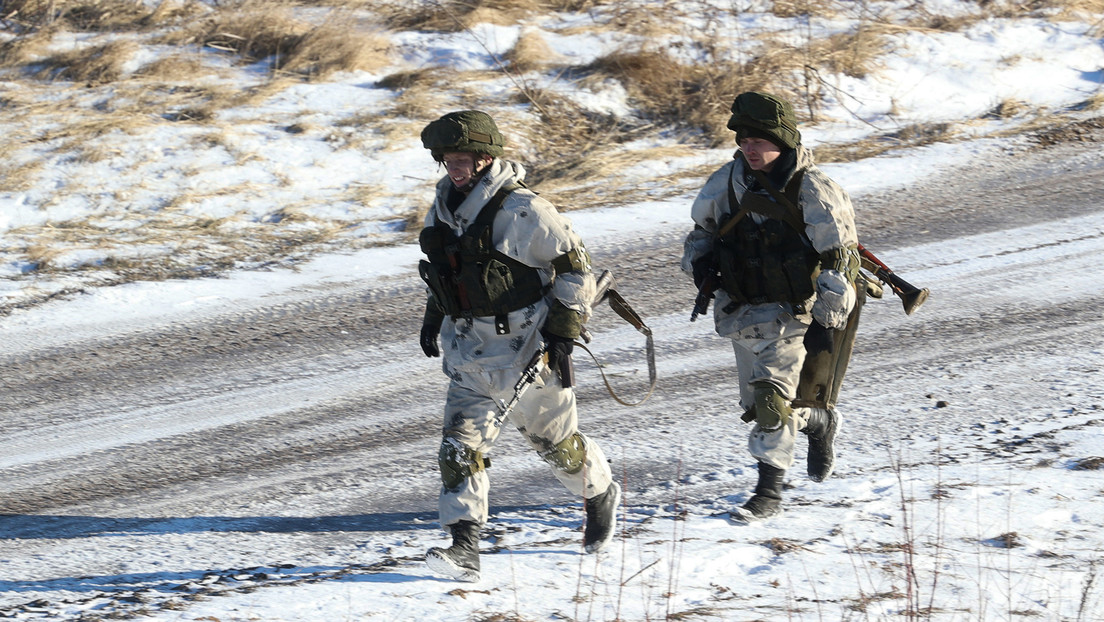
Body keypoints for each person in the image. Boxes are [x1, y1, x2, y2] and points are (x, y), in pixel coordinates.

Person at [416, 110, 621, 582]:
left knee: (555, 445)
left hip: (530, 348)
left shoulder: (523, 209)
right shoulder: (443, 207)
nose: (455, 167)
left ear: (487, 158)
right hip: (470, 351)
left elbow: (574, 268)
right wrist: (434, 315)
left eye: (463, 158)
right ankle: (464, 547)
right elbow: (445, 269)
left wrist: (565, 329)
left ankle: (598, 491)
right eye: (447, 159)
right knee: (458, 447)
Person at [681, 92, 861, 524]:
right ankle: (817, 421)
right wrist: (700, 264)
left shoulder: (814, 188)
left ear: (781, 140)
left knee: (770, 401)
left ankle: (769, 491)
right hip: (744, 312)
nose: (750, 149)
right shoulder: (725, 182)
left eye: (759, 141)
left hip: (796, 312)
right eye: (743, 141)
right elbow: (700, 232)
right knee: (759, 407)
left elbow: (840, 255)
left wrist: (827, 319)